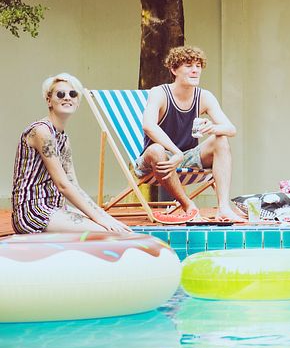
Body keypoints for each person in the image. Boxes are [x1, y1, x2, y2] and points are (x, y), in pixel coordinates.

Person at [11, 73, 131, 234]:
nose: (67, 97)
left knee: (113, 227)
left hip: (55, 209)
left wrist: (105, 216)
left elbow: (74, 185)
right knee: (106, 232)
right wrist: (99, 220)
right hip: (32, 212)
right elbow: (63, 185)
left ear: (77, 101)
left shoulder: (63, 139)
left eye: (73, 94)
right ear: (49, 100)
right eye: (60, 94)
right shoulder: (41, 131)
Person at [138, 46, 243, 222]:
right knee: (156, 149)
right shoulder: (159, 93)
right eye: (188, 66)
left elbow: (231, 129)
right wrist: (176, 152)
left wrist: (213, 128)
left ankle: (223, 208)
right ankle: (189, 206)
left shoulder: (204, 96)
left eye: (198, 66)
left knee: (221, 140)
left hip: (187, 156)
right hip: (157, 159)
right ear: (174, 69)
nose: (195, 70)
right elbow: (148, 126)